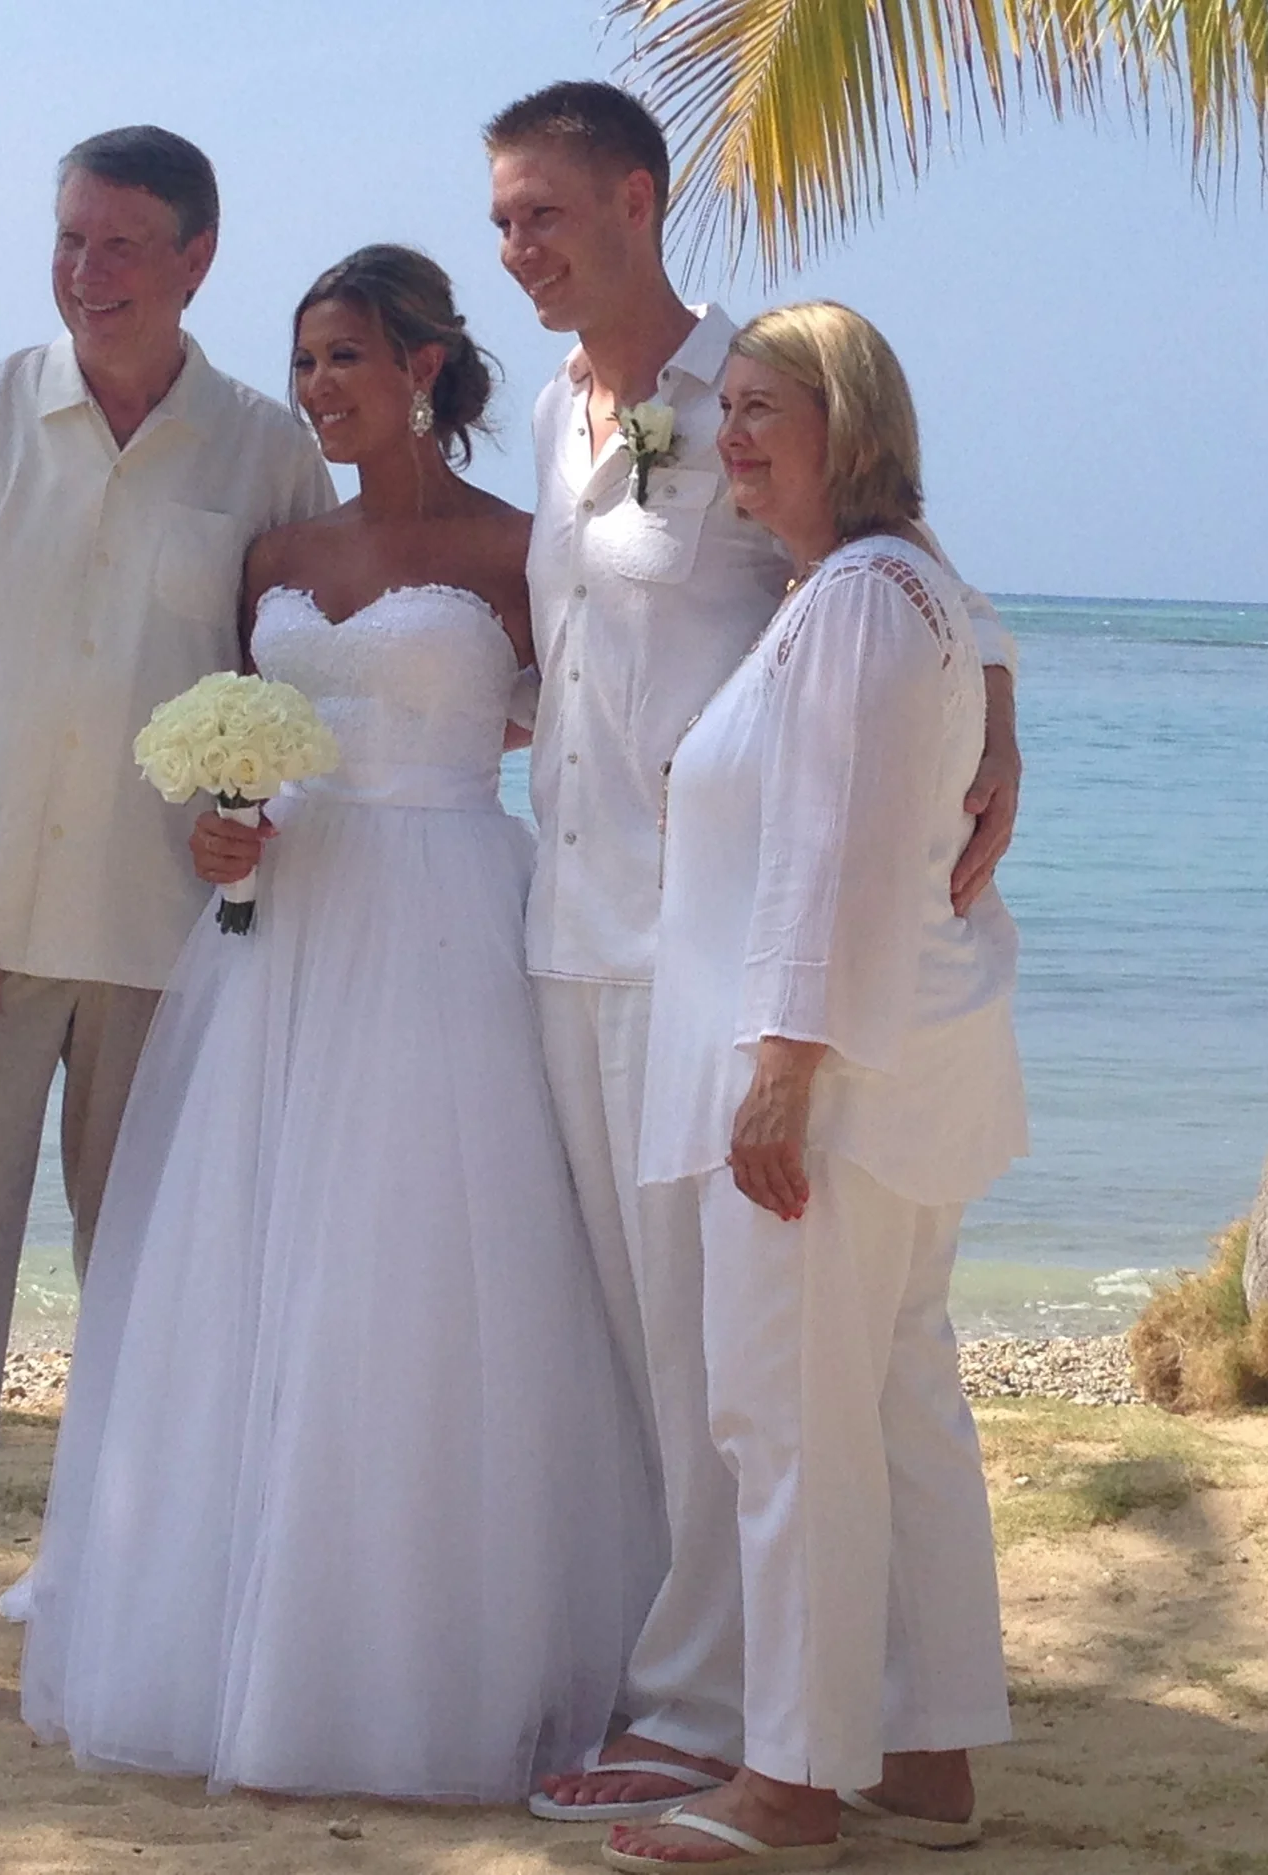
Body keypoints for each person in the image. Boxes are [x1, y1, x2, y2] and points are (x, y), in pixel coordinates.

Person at [2, 246, 656, 1800]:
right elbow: (246, 750)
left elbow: (596, 741)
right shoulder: (273, 552)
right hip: (275, 939)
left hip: (443, 922)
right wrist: (221, 830)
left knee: (417, 1275)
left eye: (346, 358)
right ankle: (228, 1627)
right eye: (303, 363)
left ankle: (429, 1649)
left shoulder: (521, 550)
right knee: (247, 1264)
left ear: (424, 366)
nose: (318, 389)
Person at [485, 84, 1023, 1822]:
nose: (520, 250)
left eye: (546, 214)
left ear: (639, 201)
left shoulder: (754, 388)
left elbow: (905, 569)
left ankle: (715, 1706)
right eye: (501, 220)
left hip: (702, 955)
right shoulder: (565, 422)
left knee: (737, 1361)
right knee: (675, 1349)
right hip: (566, 922)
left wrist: (994, 717)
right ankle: (823, 1698)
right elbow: (572, 653)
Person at [0, 127, 334, 1733]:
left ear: (197, 260)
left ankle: (142, 1609)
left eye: (122, 245)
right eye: (68, 239)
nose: (86, 271)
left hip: (175, 949)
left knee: (159, 1291)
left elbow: (301, 692)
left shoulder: (263, 455)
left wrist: (264, 830)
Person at [608, 304, 1026, 1871]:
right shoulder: (899, 586)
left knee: (784, 1418)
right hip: (902, 1070)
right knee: (897, 1403)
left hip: (827, 1081)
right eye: (734, 412)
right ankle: (924, 1743)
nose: (741, 436)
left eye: (771, 407)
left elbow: (826, 850)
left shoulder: (856, 595)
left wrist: (779, 1066)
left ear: (854, 419)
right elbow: (966, 650)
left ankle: (787, 1781)